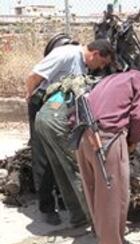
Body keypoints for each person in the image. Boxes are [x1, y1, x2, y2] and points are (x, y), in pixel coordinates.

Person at [76, 51, 140, 244]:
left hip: (84, 137)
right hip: (108, 140)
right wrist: (132, 143)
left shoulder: (113, 77)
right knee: (114, 201)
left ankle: (110, 242)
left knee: (96, 196)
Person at [26, 39, 114, 225]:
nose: (100, 67)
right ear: (96, 54)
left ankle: (66, 202)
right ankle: (47, 207)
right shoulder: (66, 54)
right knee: (44, 159)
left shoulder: (82, 63)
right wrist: (31, 98)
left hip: (62, 109)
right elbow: (34, 76)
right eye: (102, 63)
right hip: (43, 102)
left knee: (61, 158)